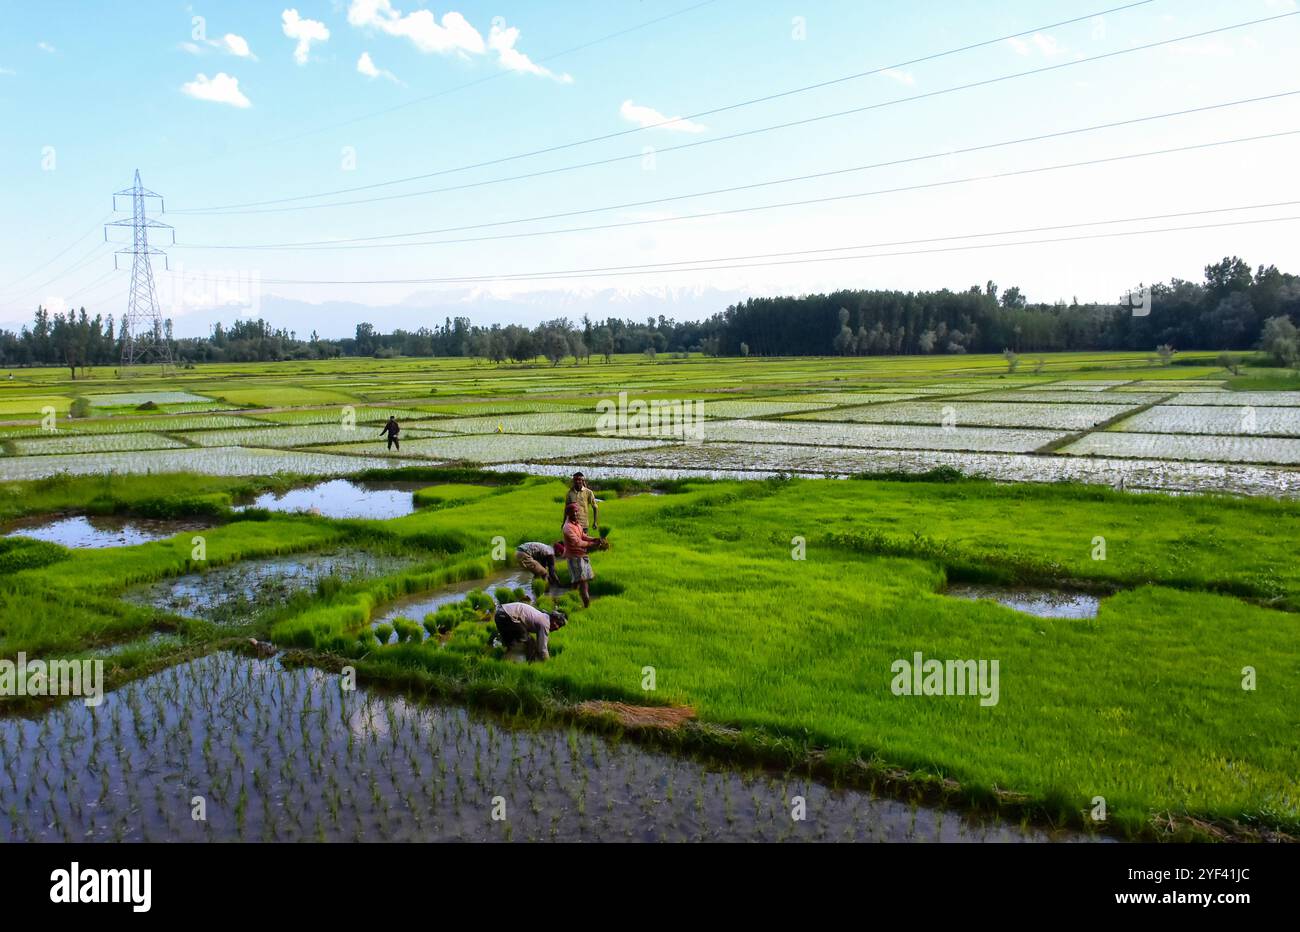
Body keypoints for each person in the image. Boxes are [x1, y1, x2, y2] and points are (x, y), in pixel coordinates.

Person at [494, 601, 566, 662]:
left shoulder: (542, 616)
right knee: (527, 640)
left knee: (510, 644)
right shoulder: (545, 623)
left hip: (499, 613)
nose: (557, 627)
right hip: (507, 615)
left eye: (560, 626)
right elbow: (542, 648)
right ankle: (530, 661)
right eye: (557, 623)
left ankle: (503, 658)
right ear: (552, 618)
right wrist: (548, 663)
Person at [561, 502, 600, 608]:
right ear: (568, 513)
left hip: (582, 556)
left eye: (576, 511)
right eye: (573, 512)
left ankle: (569, 600)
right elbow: (578, 542)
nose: (575, 514)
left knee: (576, 582)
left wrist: (594, 539)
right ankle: (587, 606)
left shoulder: (576, 523)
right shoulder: (568, 527)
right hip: (575, 558)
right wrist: (592, 545)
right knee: (583, 583)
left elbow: (583, 535)